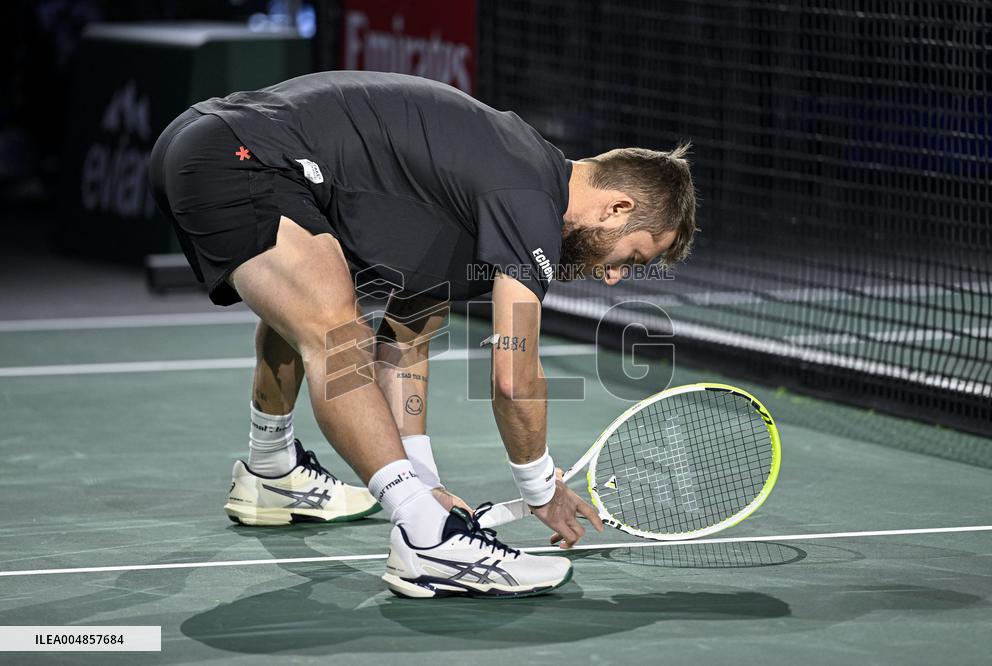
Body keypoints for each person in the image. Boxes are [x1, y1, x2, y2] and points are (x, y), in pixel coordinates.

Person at [148, 71, 696, 599]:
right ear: (617, 207)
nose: (614, 275)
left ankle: (272, 472)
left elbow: (408, 338)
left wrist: (425, 478)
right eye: (632, 255)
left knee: (308, 305)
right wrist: (540, 487)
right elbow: (513, 378)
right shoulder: (530, 198)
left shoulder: (478, 189)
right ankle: (427, 540)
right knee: (335, 334)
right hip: (242, 157)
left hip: (212, 141)